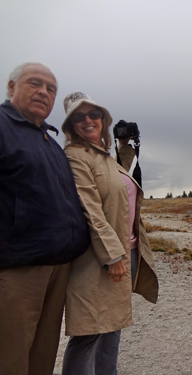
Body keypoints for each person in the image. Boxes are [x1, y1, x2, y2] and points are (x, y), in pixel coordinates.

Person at [60, 91, 159, 375]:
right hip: (99, 258)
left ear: (103, 119)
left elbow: (117, 177)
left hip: (125, 251)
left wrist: (124, 145)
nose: (88, 120)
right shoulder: (75, 156)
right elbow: (90, 209)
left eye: (94, 114)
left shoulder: (103, 156)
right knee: (89, 332)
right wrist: (113, 255)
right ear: (70, 125)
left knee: (113, 325)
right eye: (79, 116)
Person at [0, 63, 90, 375]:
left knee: (42, 356)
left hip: (57, 267)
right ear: (11, 88)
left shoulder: (50, 142)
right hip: (18, 268)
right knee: (10, 357)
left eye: (50, 89)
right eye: (35, 83)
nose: (43, 92)